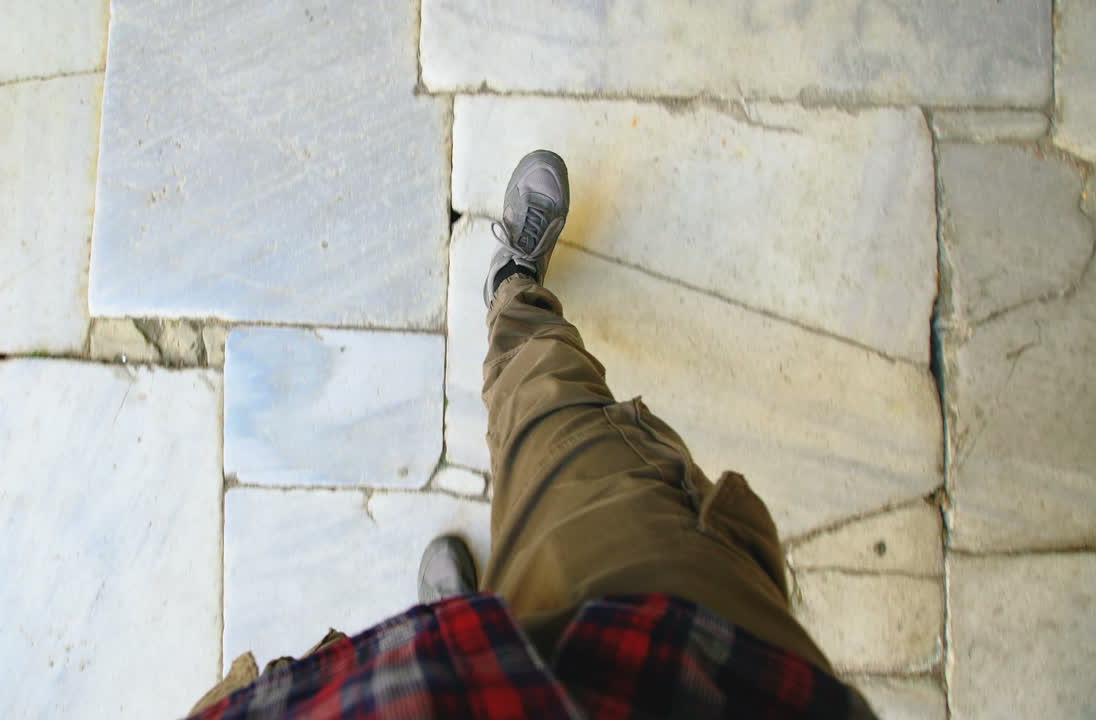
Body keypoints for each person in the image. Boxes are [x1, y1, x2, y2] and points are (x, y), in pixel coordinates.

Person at [186, 151, 876, 719]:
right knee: (560, 419)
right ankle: (516, 298)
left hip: (395, 698)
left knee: (534, 394)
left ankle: (510, 294)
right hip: (671, 666)